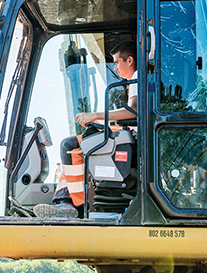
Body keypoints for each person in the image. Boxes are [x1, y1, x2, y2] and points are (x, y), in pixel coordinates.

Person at [35, 40, 139, 219]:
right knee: (76, 151)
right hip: (127, 134)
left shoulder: (137, 77)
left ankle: (75, 206)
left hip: (129, 137)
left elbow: (134, 112)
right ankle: (65, 201)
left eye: (116, 62)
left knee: (70, 145)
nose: (115, 68)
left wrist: (95, 116)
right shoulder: (136, 81)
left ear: (129, 61)